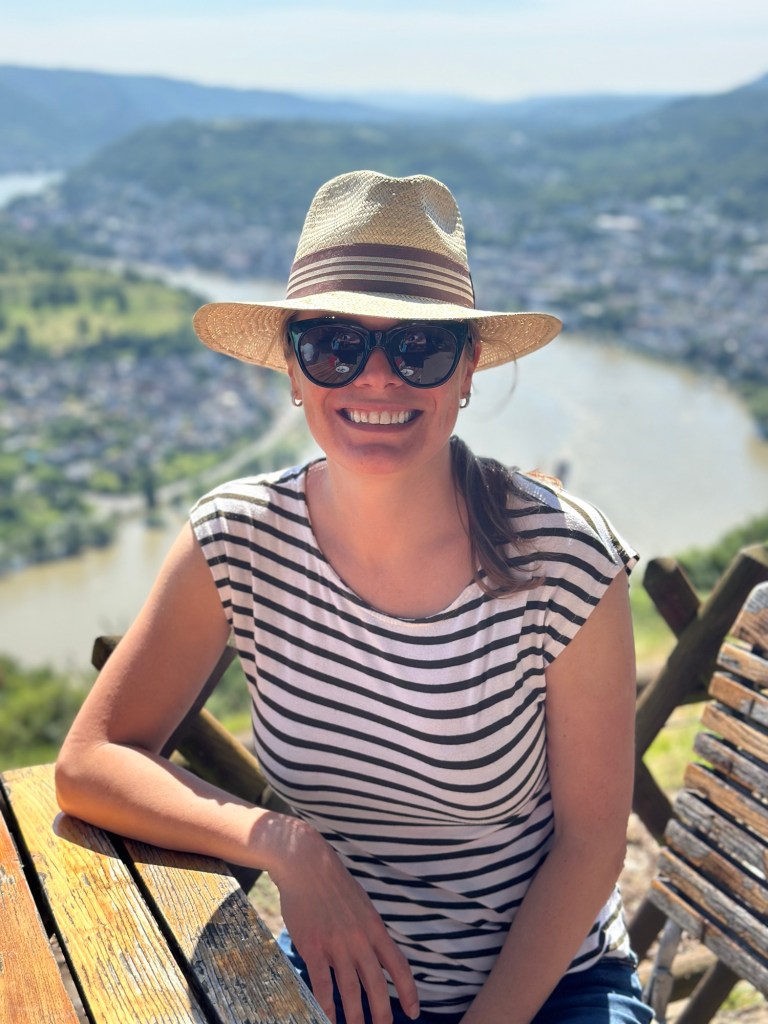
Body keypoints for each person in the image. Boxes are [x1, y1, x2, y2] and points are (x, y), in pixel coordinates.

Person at [56, 170, 653, 1024]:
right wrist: (288, 848)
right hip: (338, 986)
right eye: (335, 346)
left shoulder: (562, 557)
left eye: (420, 348)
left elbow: (591, 845)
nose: (377, 379)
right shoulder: (240, 539)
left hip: (551, 992)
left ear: (468, 370)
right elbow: (91, 760)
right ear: (294, 369)